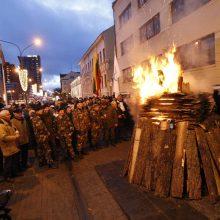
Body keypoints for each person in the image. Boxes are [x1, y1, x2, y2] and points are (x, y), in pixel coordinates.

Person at [0, 110, 20, 181]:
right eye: (8, 115)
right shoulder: (1, 125)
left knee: (13, 161)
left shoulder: (9, 122)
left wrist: (16, 132)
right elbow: (3, 137)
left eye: (9, 114)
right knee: (8, 163)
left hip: (13, 145)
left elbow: (14, 129)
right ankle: (7, 177)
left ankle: (14, 173)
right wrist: (15, 137)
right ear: (2, 116)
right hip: (7, 147)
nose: (10, 116)